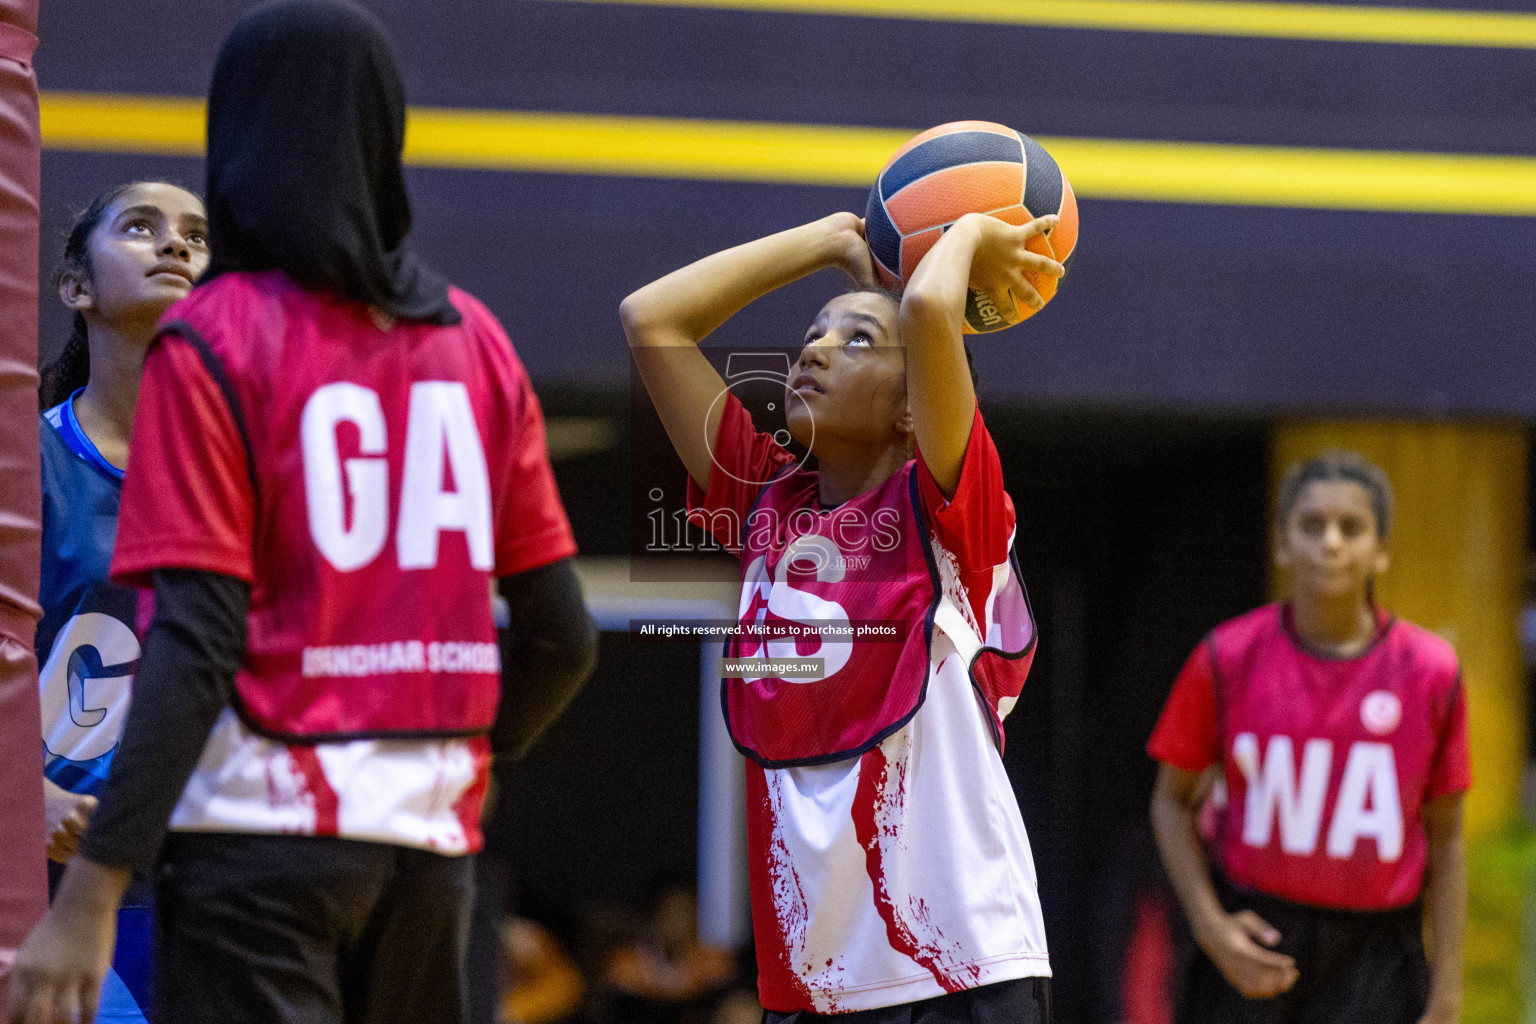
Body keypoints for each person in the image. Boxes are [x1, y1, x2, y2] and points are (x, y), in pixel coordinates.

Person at [7, 3, 597, 1023]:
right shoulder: (478, 341)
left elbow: (196, 637)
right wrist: (470, 760)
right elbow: (565, 635)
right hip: (424, 851)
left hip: (250, 841)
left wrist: (92, 890)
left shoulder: (218, 337)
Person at [620, 207, 1065, 1021]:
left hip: (960, 965)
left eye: (857, 341)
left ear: (912, 407)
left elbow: (931, 310)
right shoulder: (763, 505)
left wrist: (962, 232)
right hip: (815, 979)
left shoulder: (953, 521)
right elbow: (652, 319)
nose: (815, 351)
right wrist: (825, 243)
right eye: (814, 336)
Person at [1147, 450, 1469, 1024]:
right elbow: (1170, 801)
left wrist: (1445, 1000)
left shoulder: (1431, 672)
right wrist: (1212, 927)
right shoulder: (1226, 656)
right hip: (1256, 937)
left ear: (1382, 549)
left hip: (1379, 953)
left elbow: (1446, 843)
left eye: (1352, 527)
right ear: (1281, 542)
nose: (1332, 542)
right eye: (1312, 525)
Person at [35, 180, 209, 1023]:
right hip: (40, 871)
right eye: (142, 229)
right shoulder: (23, 462)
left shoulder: (248, 479)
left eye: (196, 237)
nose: (175, 246)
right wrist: (16, 794)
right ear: (75, 288)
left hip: (195, 878)